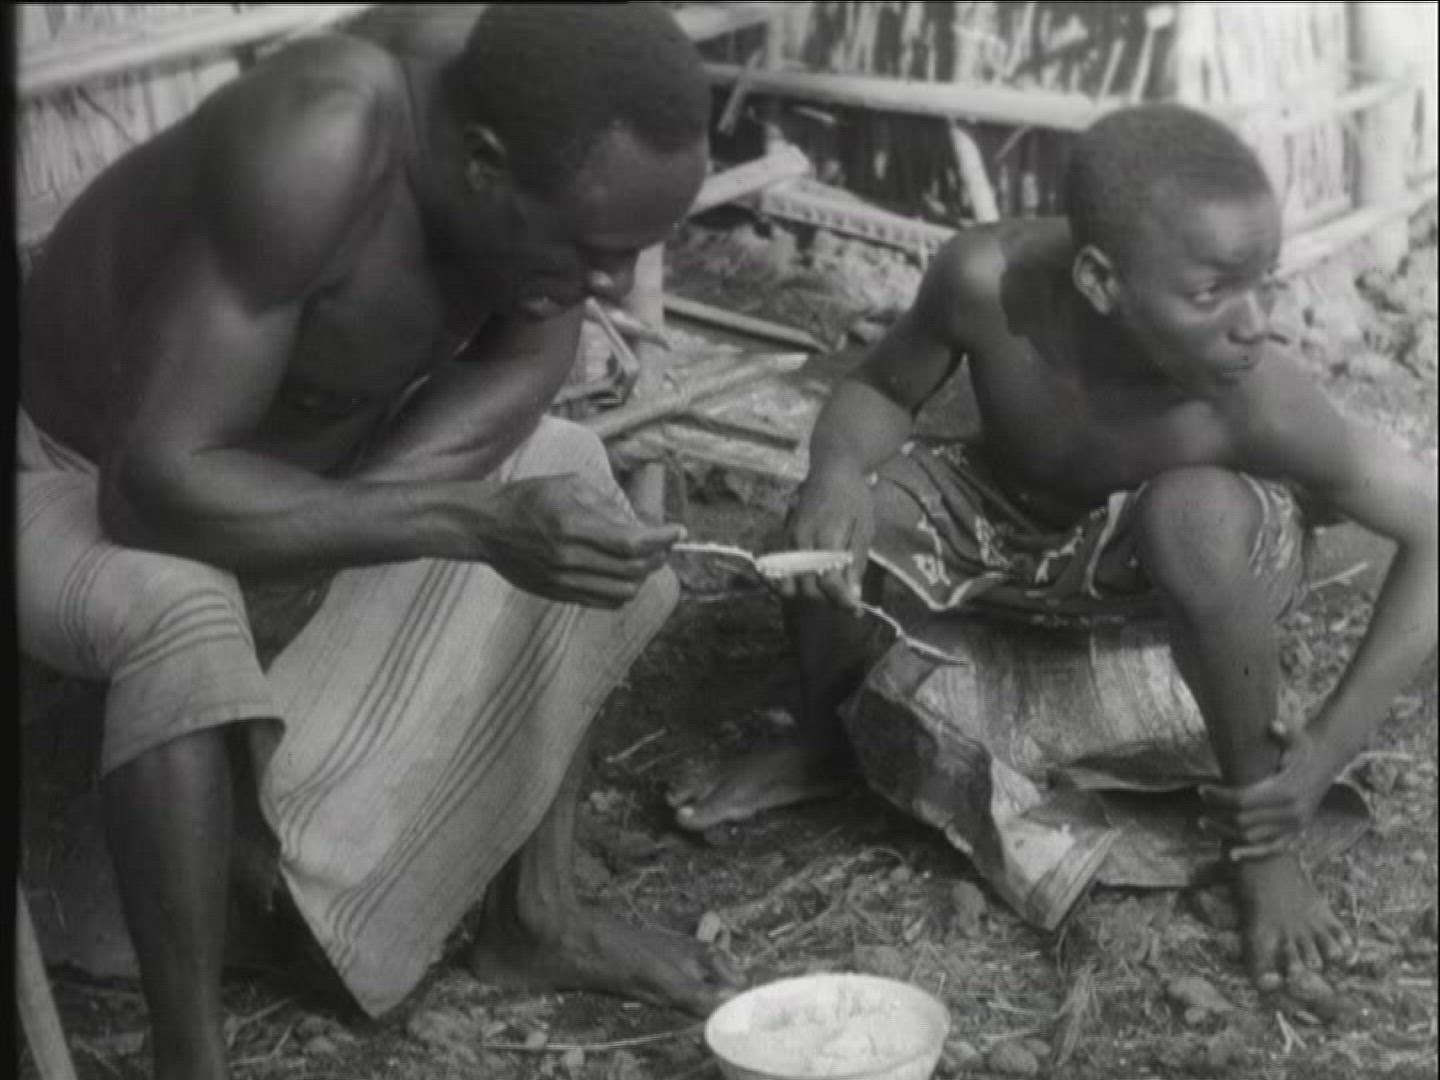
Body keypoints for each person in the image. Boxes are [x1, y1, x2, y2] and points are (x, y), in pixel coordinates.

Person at [17, 6, 741, 1080]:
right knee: (182, 606)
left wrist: (347, 528)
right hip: (71, 469)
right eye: (594, 254)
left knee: (570, 473)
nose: (614, 282)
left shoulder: (540, 124)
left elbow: (523, 368)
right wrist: (461, 522)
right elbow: (150, 489)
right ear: (482, 165)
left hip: (291, 469)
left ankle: (535, 918)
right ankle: (190, 1055)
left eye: (630, 251)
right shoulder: (319, 146)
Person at [668, 103, 1437, 990]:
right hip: (1015, 529)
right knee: (832, 527)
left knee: (1189, 513)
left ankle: (1262, 845)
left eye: (1265, 282)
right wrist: (836, 469)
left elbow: (1429, 530)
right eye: (1211, 294)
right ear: (1101, 281)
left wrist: (1326, 750)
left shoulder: (1256, 397)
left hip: (1189, 560)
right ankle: (827, 738)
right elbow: (881, 388)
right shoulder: (986, 282)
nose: (1255, 323)